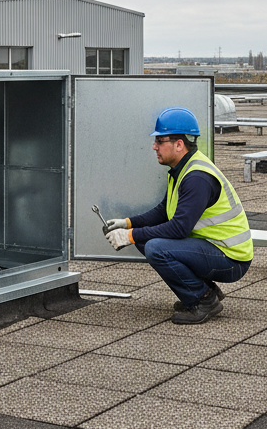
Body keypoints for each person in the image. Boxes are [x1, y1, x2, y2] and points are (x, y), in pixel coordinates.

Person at [103, 106, 253, 324]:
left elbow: (179, 228)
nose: (154, 146)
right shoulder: (181, 169)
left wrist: (131, 235)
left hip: (231, 258)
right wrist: (127, 224)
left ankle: (204, 300)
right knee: (145, 240)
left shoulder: (196, 177)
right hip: (213, 247)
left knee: (154, 247)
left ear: (179, 144)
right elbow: (164, 211)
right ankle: (204, 290)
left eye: (160, 141)